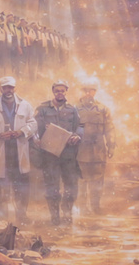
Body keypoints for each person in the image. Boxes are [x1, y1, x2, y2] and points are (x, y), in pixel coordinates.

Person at [0, 77, 37, 224]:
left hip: (18, 151)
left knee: (22, 185)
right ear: (0, 89)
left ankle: (21, 214)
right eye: (5, 88)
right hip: (0, 150)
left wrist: (22, 132)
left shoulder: (25, 105)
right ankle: (0, 216)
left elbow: (33, 123)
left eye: (11, 87)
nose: (8, 90)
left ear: (15, 88)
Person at [35, 80, 83, 226]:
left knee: (71, 185)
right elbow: (35, 127)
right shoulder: (43, 108)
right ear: (53, 91)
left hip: (68, 154)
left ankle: (67, 213)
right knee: (52, 186)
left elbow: (79, 126)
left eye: (62, 90)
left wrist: (77, 135)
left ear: (66, 91)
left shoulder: (72, 109)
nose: (59, 93)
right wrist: (41, 133)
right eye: (57, 91)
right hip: (50, 154)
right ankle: (54, 216)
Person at [76, 82, 115, 215]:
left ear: (94, 92)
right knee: (81, 181)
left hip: (98, 151)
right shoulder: (75, 109)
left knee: (97, 181)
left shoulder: (103, 109)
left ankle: (95, 207)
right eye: (85, 91)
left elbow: (109, 129)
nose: (88, 93)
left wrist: (111, 145)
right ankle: (82, 208)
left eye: (91, 91)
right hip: (80, 151)